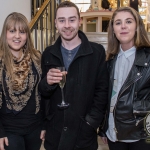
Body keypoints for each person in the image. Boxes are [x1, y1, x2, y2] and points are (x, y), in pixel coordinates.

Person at [39, 1, 108, 150]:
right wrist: (46, 83)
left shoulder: (97, 52)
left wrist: (91, 123)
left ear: (80, 21)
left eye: (72, 19)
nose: (67, 25)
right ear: (56, 23)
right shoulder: (48, 54)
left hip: (83, 136)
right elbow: (44, 94)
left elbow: (102, 92)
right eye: (62, 20)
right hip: (55, 134)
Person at [98, 6, 150, 150]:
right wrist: (103, 128)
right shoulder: (109, 61)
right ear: (113, 29)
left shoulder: (148, 58)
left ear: (137, 26)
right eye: (118, 23)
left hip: (141, 134)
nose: (123, 27)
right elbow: (107, 98)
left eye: (128, 21)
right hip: (114, 133)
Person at [0, 12, 43, 150]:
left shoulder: (37, 58)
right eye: (12, 31)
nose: (17, 36)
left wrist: (44, 125)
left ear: (27, 36)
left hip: (35, 128)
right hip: (9, 130)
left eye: (22, 32)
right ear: (5, 34)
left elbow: (43, 95)